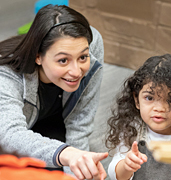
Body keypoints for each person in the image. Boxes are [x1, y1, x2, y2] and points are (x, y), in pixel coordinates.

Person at [0, 4, 108, 180]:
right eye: (63, 60)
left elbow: (80, 121)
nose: (76, 71)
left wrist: (77, 169)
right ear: (38, 56)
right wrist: (67, 154)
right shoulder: (6, 75)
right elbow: (10, 135)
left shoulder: (89, 41)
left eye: (82, 57)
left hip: (50, 123)